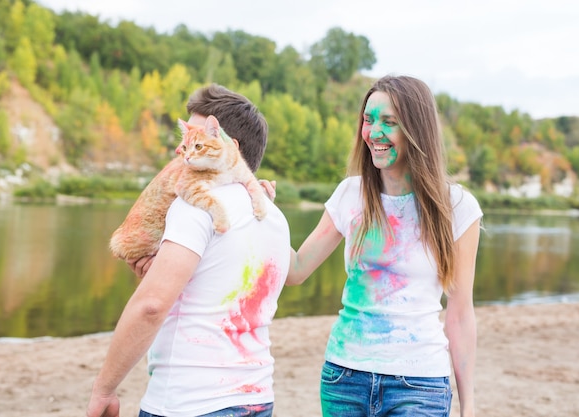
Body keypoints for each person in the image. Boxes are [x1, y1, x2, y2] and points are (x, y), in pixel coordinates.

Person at [86, 84, 291, 417]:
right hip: (256, 397)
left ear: (225, 144)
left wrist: (104, 390)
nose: (182, 152)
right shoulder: (274, 215)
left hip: (190, 402)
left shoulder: (195, 207)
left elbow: (151, 306)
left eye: (193, 139)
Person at [286, 75, 483, 417]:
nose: (373, 132)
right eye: (368, 119)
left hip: (420, 383)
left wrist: (469, 405)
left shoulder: (458, 207)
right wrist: (254, 206)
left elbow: (461, 312)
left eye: (389, 122)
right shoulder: (351, 193)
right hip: (344, 377)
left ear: (416, 130)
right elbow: (297, 269)